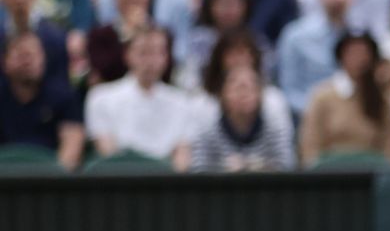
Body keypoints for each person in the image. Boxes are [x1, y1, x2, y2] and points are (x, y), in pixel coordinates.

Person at [82, 25, 196, 166]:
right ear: (127, 55)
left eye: (158, 52)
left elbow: (182, 157)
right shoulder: (100, 97)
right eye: (143, 52)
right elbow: (107, 152)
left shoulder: (182, 102)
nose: (150, 61)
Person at [299, 31, 390, 164]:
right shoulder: (322, 96)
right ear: (341, 57)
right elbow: (310, 143)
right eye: (352, 53)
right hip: (330, 174)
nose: (358, 58)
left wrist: (387, 169)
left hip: (371, 173)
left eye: (364, 53)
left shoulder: (382, 97)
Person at [190, 64, 296, 172]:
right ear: (222, 94)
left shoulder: (275, 131)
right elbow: (198, 170)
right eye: (237, 87)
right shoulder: (208, 133)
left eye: (252, 86)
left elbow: (287, 166)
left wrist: (254, 166)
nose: (244, 93)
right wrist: (225, 168)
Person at [0, 32, 82, 167]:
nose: (27, 61)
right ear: (4, 62)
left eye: (33, 54)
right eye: (21, 55)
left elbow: (72, 148)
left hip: (50, 181)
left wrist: (51, 181)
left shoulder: (65, 96)